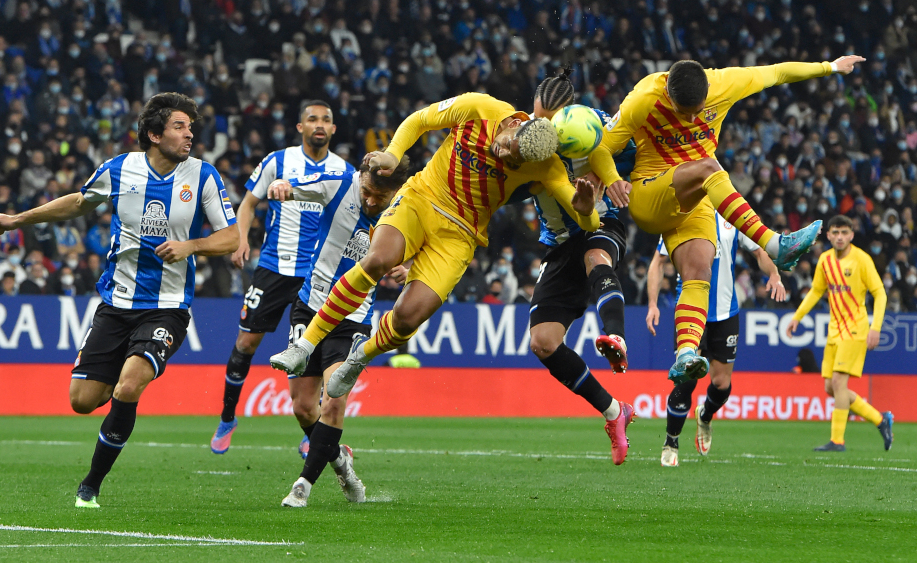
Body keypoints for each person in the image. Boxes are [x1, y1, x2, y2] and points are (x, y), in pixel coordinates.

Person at [0, 93, 239, 508]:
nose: (189, 133)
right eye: (179, 126)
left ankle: (91, 484)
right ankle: (119, 390)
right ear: (154, 135)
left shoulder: (204, 176)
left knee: (130, 383)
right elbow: (79, 203)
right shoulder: (120, 169)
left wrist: (191, 246)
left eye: (191, 127)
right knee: (82, 401)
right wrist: (17, 219)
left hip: (167, 307)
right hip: (116, 303)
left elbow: (231, 236)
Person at [271, 93, 600, 399]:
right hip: (422, 197)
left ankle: (361, 356)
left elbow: (588, 222)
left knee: (406, 319)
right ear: (515, 124)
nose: (504, 157)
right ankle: (305, 346)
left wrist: (585, 210)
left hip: (460, 235)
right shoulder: (478, 106)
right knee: (378, 259)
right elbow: (420, 120)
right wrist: (392, 153)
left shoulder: (547, 165)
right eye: (506, 147)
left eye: (514, 161)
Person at [590, 56, 866, 385]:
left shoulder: (724, 83)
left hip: (696, 200)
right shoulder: (643, 98)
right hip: (651, 193)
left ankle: (686, 352)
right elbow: (601, 149)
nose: (692, 118)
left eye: (698, 109)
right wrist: (612, 177)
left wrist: (830, 67)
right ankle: (775, 244)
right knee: (710, 165)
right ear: (668, 92)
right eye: (684, 111)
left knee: (698, 273)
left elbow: (776, 72)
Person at [263, 156, 411, 507]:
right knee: (302, 407)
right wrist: (284, 188)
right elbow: (301, 190)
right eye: (368, 192)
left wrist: (409, 265)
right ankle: (340, 462)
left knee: (333, 400)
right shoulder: (340, 184)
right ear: (361, 179)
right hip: (311, 307)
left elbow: (427, 246)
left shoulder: (405, 212)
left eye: (381, 197)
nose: (372, 201)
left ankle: (303, 485)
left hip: (352, 319)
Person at [210, 100, 353, 456]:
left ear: (334, 129)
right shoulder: (277, 161)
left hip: (318, 275)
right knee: (246, 344)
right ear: (299, 127)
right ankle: (228, 417)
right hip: (274, 268)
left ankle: (309, 430)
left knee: (305, 354)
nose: (319, 125)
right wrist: (241, 239)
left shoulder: (345, 172)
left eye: (326, 120)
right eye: (312, 119)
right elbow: (248, 203)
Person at [524, 70, 638, 465]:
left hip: (601, 224)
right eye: (535, 116)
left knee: (597, 258)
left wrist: (615, 177)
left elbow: (637, 153)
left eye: (546, 120)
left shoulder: (601, 128)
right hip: (558, 243)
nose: (539, 127)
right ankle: (613, 411)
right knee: (543, 342)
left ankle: (617, 337)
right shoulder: (526, 136)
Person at [647, 211, 786, 467]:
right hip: (690, 311)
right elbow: (657, 261)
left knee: (721, 384)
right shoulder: (680, 213)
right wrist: (653, 304)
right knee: (687, 380)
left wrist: (774, 274)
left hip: (725, 313)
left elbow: (759, 251)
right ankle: (671, 442)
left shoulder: (732, 215)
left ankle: (706, 415)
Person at [786, 215, 894, 452]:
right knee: (831, 388)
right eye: (835, 233)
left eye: (845, 233)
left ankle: (837, 441)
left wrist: (875, 327)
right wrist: (797, 317)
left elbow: (880, 293)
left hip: (855, 329)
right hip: (834, 330)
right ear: (829, 235)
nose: (840, 237)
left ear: (852, 235)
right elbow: (816, 291)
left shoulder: (861, 260)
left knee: (838, 383)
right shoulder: (825, 260)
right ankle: (880, 419)